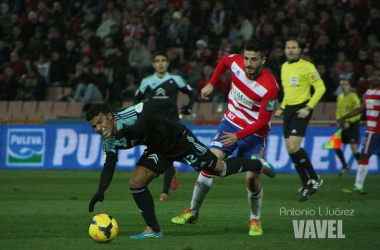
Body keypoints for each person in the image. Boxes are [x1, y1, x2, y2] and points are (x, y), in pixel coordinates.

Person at [86, 99, 276, 239]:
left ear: (110, 116)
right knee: (136, 182)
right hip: (159, 150)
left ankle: (257, 164)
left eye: (100, 122)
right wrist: (100, 190)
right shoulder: (108, 140)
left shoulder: (128, 115)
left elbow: (157, 104)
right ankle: (154, 230)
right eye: (94, 126)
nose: (99, 128)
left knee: (220, 169)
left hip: (179, 140)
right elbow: (110, 163)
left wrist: (136, 128)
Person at [171, 39, 279, 236]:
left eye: (254, 59)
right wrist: (211, 84)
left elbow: (263, 121)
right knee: (209, 163)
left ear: (262, 60)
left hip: (254, 134)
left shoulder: (270, 86)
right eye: (246, 58)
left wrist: (238, 136)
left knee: (251, 182)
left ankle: (255, 219)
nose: (248, 63)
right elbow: (224, 62)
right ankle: (192, 212)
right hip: (230, 123)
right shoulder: (236, 62)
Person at [134, 51, 196, 201]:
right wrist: (140, 114)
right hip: (154, 123)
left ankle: (165, 192)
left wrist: (189, 106)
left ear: (167, 63)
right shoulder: (147, 81)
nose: (160, 63)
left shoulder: (175, 79)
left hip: (172, 122)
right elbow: (136, 99)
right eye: (158, 61)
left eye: (163, 60)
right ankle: (172, 173)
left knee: (167, 153)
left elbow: (191, 93)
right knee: (161, 154)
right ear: (154, 64)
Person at [274, 38, 326, 202]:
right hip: (289, 109)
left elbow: (320, 87)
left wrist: (308, 107)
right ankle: (305, 184)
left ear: (299, 50)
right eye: (288, 47)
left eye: (293, 47)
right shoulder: (283, 67)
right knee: (290, 149)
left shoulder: (307, 66)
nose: (290, 50)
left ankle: (314, 178)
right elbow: (287, 91)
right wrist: (282, 108)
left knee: (294, 146)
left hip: (302, 107)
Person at [339, 67, 380, 194]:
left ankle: (358, 185)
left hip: (374, 130)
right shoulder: (368, 92)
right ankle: (358, 185)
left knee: (364, 155)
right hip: (372, 129)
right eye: (374, 75)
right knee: (366, 155)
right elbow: (362, 108)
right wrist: (346, 116)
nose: (375, 77)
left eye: (378, 75)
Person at [335, 79, 361, 176]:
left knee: (353, 147)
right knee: (335, 145)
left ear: (349, 86)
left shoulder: (353, 97)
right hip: (343, 124)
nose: (343, 86)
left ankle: (361, 167)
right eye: (342, 85)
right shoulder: (340, 97)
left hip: (352, 124)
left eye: (345, 84)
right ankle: (345, 165)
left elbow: (358, 111)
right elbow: (338, 110)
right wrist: (338, 120)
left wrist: (349, 121)